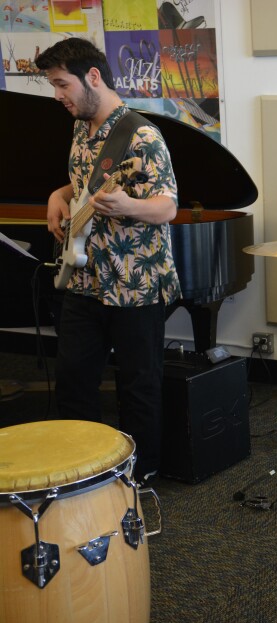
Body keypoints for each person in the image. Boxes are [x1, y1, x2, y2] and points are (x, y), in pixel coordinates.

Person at [37, 37, 180, 482]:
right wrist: (55, 197)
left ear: (92, 77)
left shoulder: (141, 135)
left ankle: (141, 479)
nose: (58, 95)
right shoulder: (81, 125)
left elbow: (168, 206)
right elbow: (77, 182)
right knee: (73, 381)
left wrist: (128, 208)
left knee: (139, 386)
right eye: (55, 86)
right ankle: (84, 476)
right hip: (85, 279)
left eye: (63, 85)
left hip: (135, 280)